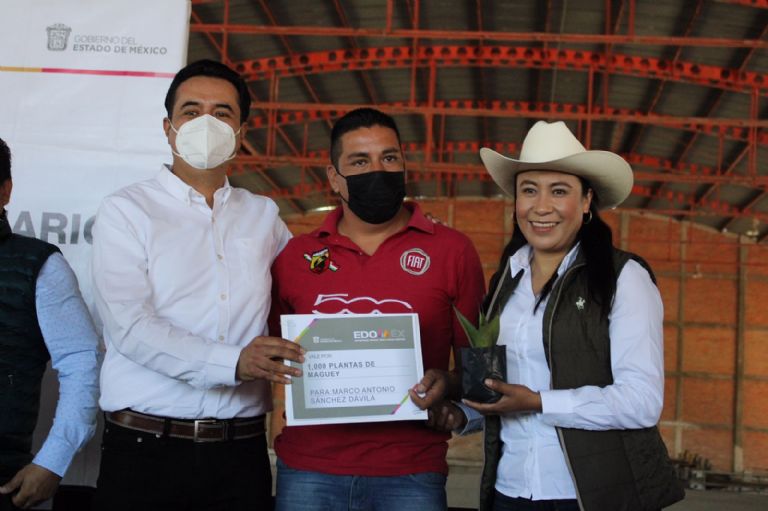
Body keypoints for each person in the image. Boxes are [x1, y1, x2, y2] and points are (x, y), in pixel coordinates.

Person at [90, 60, 305, 511]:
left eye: (223, 113)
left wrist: (383, 235)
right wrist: (234, 363)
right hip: (146, 449)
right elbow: (129, 325)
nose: (206, 123)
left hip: (240, 454)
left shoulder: (263, 215)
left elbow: (307, 294)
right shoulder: (126, 211)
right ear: (168, 129)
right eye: (191, 111)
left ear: (241, 132)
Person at [453, 121, 685, 511]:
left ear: (586, 200)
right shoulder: (504, 284)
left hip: (593, 495)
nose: (541, 207)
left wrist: (539, 402)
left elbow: (641, 401)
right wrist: (460, 415)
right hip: (509, 490)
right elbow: (503, 390)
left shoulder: (623, 278)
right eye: (529, 190)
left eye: (559, 191)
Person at [268, 107, 486, 511]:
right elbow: (272, 352)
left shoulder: (453, 251)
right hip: (309, 469)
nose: (378, 170)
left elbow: (481, 369)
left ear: (404, 164)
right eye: (360, 161)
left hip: (410, 471)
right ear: (334, 177)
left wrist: (449, 390)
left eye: (389, 158)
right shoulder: (296, 256)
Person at [0, 138, 100, 510]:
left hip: (6, 480)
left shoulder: (39, 265)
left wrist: (51, 461)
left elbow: (82, 362)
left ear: (5, 191)